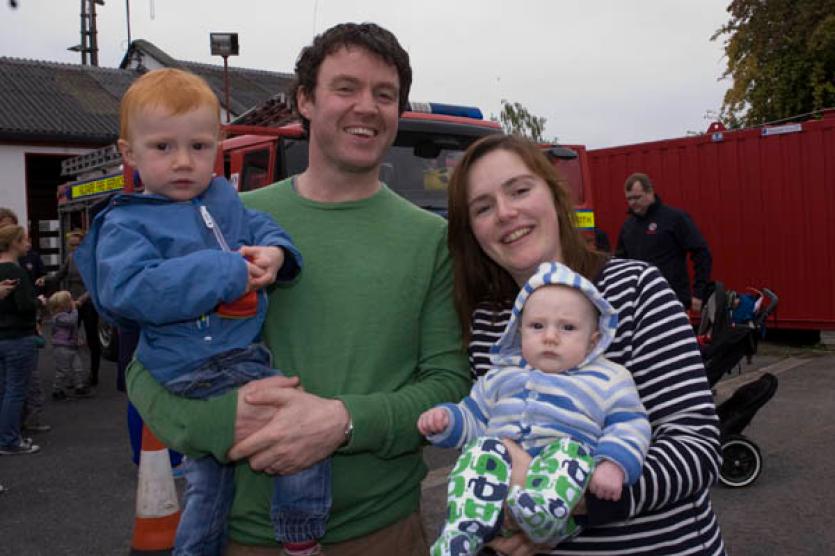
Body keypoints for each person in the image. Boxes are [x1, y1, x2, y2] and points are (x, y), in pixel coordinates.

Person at [121, 22, 471, 555]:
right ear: (305, 100)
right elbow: (144, 369)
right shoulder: (229, 221)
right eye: (346, 88)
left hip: (385, 533)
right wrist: (220, 422)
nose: (367, 107)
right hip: (242, 537)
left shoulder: (433, 240)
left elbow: (449, 382)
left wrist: (343, 421)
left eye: (385, 94)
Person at [72, 68, 331, 555]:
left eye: (198, 146)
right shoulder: (126, 223)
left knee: (208, 489)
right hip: (191, 365)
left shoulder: (222, 198)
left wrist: (276, 254)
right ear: (130, 154)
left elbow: (263, 225)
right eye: (163, 147)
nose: (183, 162)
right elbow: (131, 291)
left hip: (233, 355)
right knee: (300, 428)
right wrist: (227, 269)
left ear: (217, 145)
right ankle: (302, 540)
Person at [446, 134, 725, 555]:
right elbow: (490, 437)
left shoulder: (635, 289)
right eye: (483, 207)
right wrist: (504, 521)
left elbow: (696, 447)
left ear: (555, 196)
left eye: (520, 190)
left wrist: (571, 503)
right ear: (473, 231)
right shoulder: (489, 322)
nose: (506, 213)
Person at [419, 261, 650, 555]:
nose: (550, 337)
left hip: (562, 488)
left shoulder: (608, 379)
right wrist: (447, 420)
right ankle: (465, 528)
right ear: (519, 332)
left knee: (571, 452)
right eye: (537, 326)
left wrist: (614, 464)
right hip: (498, 488)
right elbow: (474, 417)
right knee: (481, 450)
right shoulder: (501, 376)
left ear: (593, 342)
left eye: (567, 328)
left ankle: (544, 512)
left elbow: (630, 424)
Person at [615, 172, 712, 312]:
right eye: (629, 199)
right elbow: (620, 263)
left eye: (637, 197)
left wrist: (699, 293)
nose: (632, 203)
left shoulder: (674, 218)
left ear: (650, 193)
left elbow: (702, 253)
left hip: (672, 300)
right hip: (640, 303)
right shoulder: (628, 227)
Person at [0, 208, 49, 432]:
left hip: (6, 335)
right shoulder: (15, 271)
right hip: (17, 336)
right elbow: (24, 305)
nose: (27, 244)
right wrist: (39, 302)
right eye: (24, 239)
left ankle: (11, 432)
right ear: (14, 243)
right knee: (17, 388)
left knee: (6, 388)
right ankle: (10, 437)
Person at [37, 230, 102, 387]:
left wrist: (80, 301)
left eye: (78, 245)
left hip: (88, 303)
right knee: (68, 339)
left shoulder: (92, 260)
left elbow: (94, 284)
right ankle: (73, 374)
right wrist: (44, 279)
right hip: (72, 304)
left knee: (92, 340)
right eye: (72, 245)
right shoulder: (70, 258)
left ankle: (94, 375)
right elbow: (58, 276)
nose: (75, 248)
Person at [46, 290, 91, 400]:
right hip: (62, 348)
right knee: (63, 370)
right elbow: (72, 321)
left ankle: (79, 387)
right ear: (64, 304)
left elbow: (74, 328)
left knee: (78, 367)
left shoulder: (67, 314)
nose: (73, 301)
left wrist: (78, 338)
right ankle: (57, 390)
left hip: (71, 346)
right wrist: (75, 309)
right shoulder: (59, 317)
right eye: (70, 300)